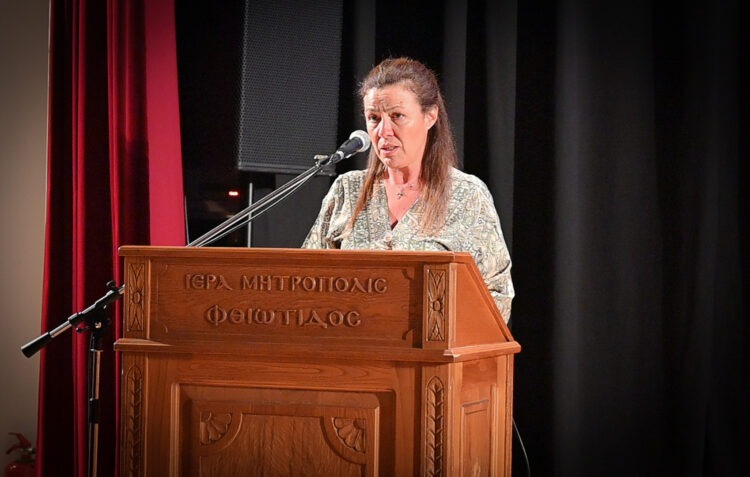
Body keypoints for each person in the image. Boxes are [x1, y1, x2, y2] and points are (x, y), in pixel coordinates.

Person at [302, 57, 514, 323]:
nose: (383, 131)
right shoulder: (347, 190)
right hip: (351, 344)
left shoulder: (467, 195)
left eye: (397, 116)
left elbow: (497, 297)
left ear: (430, 116)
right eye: (374, 118)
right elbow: (305, 281)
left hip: (432, 347)